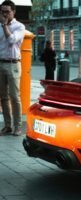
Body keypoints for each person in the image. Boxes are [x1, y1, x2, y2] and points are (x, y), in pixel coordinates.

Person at [0, 0, 25, 136]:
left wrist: (4, 26)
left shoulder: (19, 26)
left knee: (15, 97)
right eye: (2, 12)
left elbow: (11, 40)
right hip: (1, 63)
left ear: (13, 12)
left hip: (13, 64)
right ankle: (8, 126)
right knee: (3, 97)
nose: (4, 14)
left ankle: (18, 126)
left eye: (7, 12)